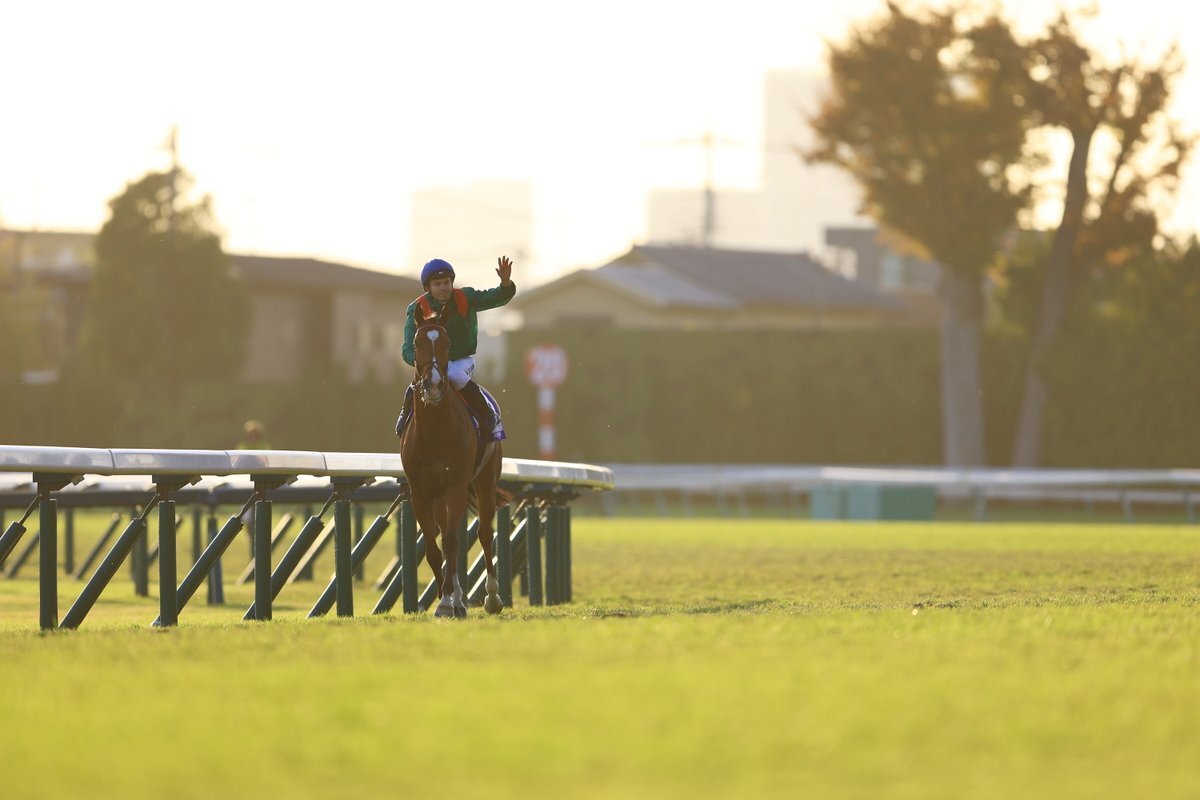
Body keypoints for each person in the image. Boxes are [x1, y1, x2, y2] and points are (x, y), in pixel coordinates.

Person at [397, 255, 516, 439]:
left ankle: (489, 416)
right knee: (418, 382)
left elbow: (498, 297)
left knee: (454, 375)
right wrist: (421, 362)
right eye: (438, 284)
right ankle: (405, 415)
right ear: (428, 287)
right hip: (430, 363)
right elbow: (407, 348)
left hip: (461, 360)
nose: (444, 288)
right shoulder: (417, 309)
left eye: (446, 282)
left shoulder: (466, 297)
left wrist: (506, 283)